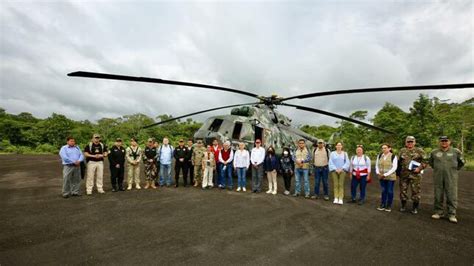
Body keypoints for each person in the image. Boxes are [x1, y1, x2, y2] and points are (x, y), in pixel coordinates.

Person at [429, 136, 465, 224]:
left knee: (451, 195)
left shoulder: (456, 151)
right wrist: (439, 169)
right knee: (438, 194)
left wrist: (453, 170)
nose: (444, 142)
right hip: (438, 177)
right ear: (439, 142)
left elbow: (462, 162)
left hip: (451, 177)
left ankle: (452, 214)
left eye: (446, 141)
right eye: (442, 141)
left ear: (449, 141)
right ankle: (438, 212)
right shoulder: (434, 152)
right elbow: (431, 163)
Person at [398, 136, 427, 214]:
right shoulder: (402, 150)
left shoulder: (419, 151)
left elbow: (425, 161)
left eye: (411, 142)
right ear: (405, 143)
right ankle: (403, 205)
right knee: (403, 191)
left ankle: (415, 208)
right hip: (404, 174)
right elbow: (399, 161)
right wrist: (398, 172)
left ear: (414, 142)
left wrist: (420, 168)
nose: (410, 143)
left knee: (415, 191)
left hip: (415, 175)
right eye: (408, 142)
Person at [375, 144, 398, 212]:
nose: (383, 149)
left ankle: (389, 205)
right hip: (381, 177)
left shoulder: (393, 156)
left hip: (390, 177)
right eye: (382, 148)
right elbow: (377, 165)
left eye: (385, 148)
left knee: (389, 191)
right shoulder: (379, 156)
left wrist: (385, 174)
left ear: (389, 148)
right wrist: (378, 173)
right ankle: (383, 204)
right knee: (383, 190)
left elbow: (394, 167)